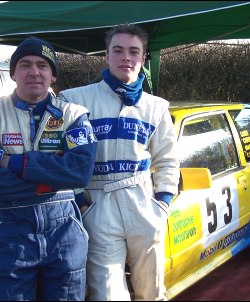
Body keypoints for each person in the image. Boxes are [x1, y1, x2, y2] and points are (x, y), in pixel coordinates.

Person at [0, 37, 97, 301]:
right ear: (13, 73)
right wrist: (53, 177)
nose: (34, 72)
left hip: (65, 230)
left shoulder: (74, 115)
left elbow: (80, 172)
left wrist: (13, 162)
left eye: (42, 65)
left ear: (53, 75)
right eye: (25, 64)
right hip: (11, 227)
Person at [59, 24, 180, 301]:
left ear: (143, 58)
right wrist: (81, 201)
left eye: (133, 51)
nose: (126, 57)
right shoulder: (74, 101)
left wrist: (162, 202)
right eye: (118, 50)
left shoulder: (157, 107)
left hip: (144, 204)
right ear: (107, 56)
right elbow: (62, 158)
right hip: (97, 206)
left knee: (152, 290)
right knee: (107, 294)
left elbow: (167, 159)